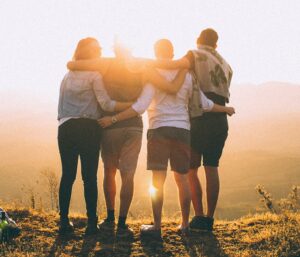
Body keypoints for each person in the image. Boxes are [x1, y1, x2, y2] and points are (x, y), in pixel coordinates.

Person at [99, 39, 235, 238]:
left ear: (155, 53)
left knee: (158, 180)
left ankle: (157, 226)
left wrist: (114, 118)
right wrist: (225, 109)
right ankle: (185, 224)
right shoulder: (188, 75)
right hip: (183, 130)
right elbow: (204, 104)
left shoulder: (153, 75)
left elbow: (140, 106)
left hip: (159, 129)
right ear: (173, 54)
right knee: (182, 178)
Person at [67, 43, 187, 236]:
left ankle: (110, 218)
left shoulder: (105, 64)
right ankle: (122, 224)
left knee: (109, 171)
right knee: (128, 174)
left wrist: (72, 64)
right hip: (133, 126)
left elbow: (73, 65)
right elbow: (169, 86)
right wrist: (183, 64)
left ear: (114, 50)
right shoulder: (142, 67)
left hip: (110, 125)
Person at [152, 28, 234, 231]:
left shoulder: (194, 55)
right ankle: (209, 218)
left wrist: (146, 64)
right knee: (212, 167)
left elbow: (173, 65)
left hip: (199, 117)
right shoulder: (226, 64)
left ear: (198, 40)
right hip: (220, 119)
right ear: (216, 44)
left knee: (191, 169)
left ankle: (197, 216)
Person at [57, 37, 132, 235]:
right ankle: (91, 224)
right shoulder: (95, 75)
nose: (100, 51)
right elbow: (106, 105)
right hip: (88, 128)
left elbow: (61, 106)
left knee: (67, 175)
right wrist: (130, 105)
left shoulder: (67, 75)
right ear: (91, 54)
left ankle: (64, 222)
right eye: (97, 49)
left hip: (65, 127)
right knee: (89, 177)